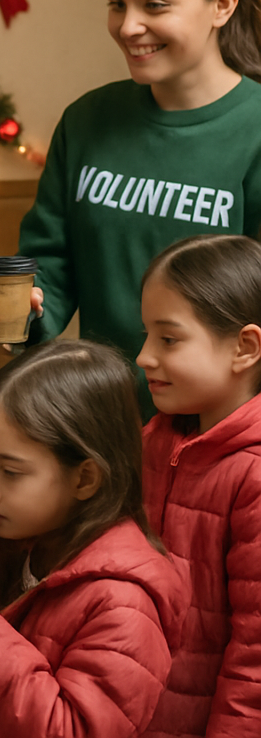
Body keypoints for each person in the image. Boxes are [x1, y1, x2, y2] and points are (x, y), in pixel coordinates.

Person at [0, 0, 261, 419]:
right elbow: (50, 269)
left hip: (223, 440)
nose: (128, 26)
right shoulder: (86, 121)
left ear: (222, 4)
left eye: (155, 4)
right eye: (117, 3)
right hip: (105, 425)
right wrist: (21, 317)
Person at [0, 340, 186, 738]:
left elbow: (74, 730)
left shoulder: (124, 603)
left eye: (11, 472)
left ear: (84, 478)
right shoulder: (11, 549)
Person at [139, 233, 261, 735]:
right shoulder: (154, 441)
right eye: (146, 335)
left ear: (245, 348)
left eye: (168, 339)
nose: (144, 356)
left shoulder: (253, 476)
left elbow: (254, 660)